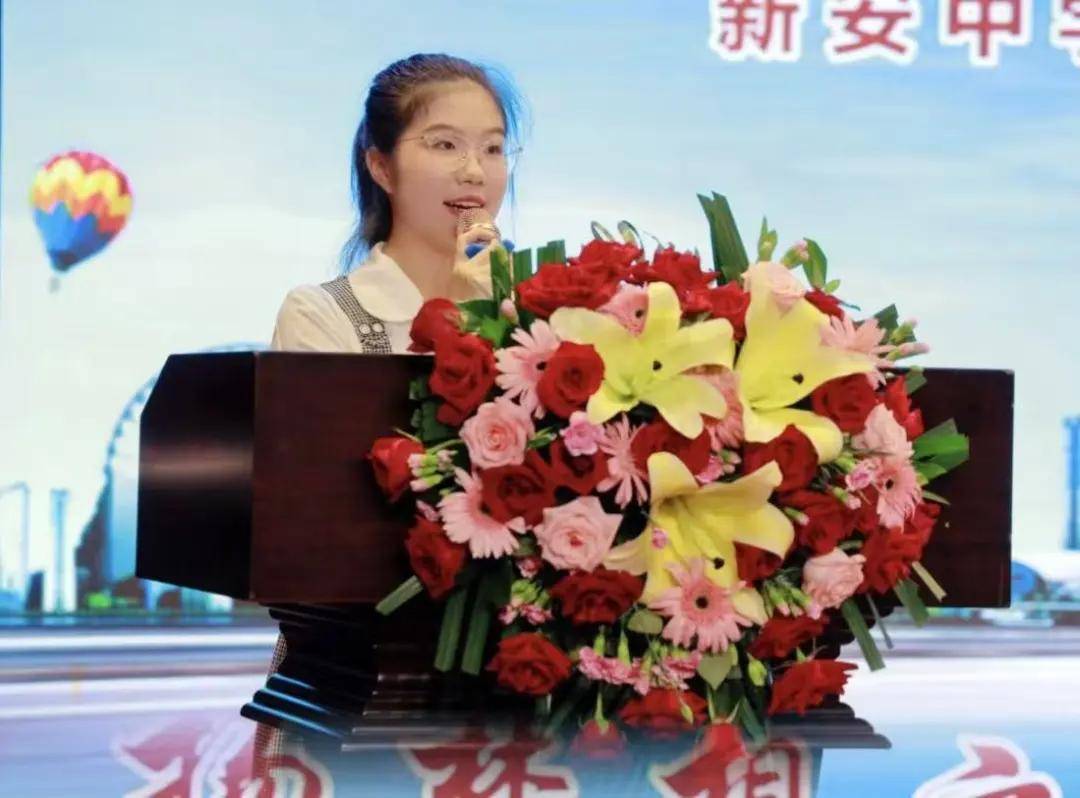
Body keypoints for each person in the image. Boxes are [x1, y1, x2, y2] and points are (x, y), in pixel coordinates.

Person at [255, 52, 527, 778]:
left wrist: (503, 319)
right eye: (444, 144)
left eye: (492, 148)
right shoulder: (324, 315)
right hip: (355, 691)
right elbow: (318, 519)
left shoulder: (540, 319)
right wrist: (461, 324)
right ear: (380, 165)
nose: (474, 171)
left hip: (515, 694)